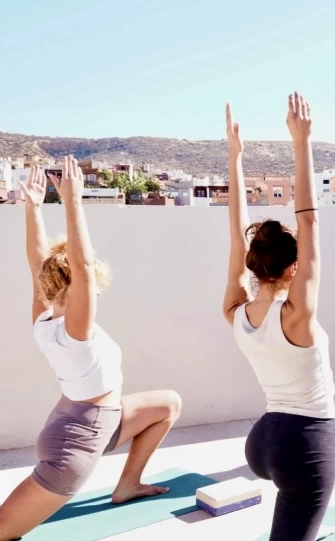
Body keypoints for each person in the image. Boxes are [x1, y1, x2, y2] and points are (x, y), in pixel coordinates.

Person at [0, 159, 182, 541]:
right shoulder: (75, 330)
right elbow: (81, 265)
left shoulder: (44, 319)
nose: (93, 285)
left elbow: (37, 262)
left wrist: (33, 207)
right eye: (88, 281)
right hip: (76, 447)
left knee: (168, 404)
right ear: (78, 285)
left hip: (93, 421)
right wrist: (72, 201)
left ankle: (128, 484)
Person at [223, 95, 335, 541]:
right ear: (293, 267)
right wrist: (301, 142)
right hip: (306, 445)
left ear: (255, 264)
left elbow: (236, 238)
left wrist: (235, 158)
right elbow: (309, 224)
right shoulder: (297, 316)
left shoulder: (235, 312)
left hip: (262, 443)